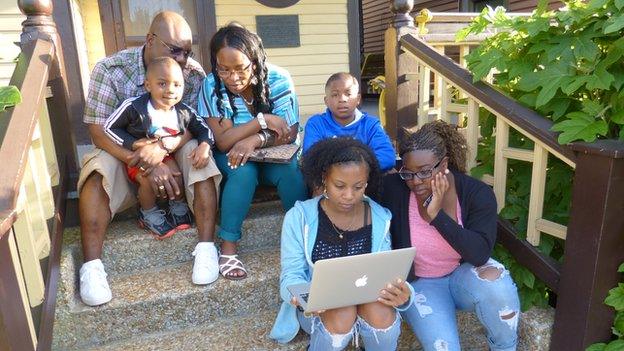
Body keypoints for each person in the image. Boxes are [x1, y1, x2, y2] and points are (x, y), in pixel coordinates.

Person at [78, 11, 222, 307]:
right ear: (150, 40)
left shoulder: (192, 74)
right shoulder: (111, 69)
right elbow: (98, 131)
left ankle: (207, 248)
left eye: (187, 51)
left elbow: (193, 124)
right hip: (122, 149)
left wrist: (165, 148)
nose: (183, 58)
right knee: (94, 173)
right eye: (175, 50)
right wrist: (147, 161)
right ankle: (91, 266)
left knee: (200, 158)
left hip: (170, 143)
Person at [380, 120, 520, 351]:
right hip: (421, 285)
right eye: (408, 173)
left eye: (425, 172)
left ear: (444, 164)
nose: (415, 181)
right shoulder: (394, 188)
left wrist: (437, 217)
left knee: (498, 287)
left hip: (463, 275)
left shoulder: (477, 193)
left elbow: (479, 254)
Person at [270, 137, 413, 350]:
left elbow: (386, 271)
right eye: (339, 186)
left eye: (358, 187)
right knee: (343, 310)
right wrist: (301, 296)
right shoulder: (298, 217)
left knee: (381, 313)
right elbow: (291, 275)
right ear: (323, 179)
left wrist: (403, 293)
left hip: (368, 301)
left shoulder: (380, 216)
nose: (349, 196)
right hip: (319, 310)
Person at [197, 24, 307, 280]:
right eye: (223, 68)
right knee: (242, 171)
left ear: (255, 63)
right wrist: (261, 121)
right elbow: (223, 142)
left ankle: (304, 237)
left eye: (240, 68)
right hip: (233, 155)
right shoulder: (212, 85)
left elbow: (287, 133)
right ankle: (228, 247)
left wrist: (253, 140)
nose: (232, 77)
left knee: (290, 170)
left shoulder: (279, 79)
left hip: (273, 152)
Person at [103, 57, 214, 238]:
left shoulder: (184, 111)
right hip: (139, 158)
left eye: (177, 85)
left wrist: (204, 146)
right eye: (162, 84)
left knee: (175, 175)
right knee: (148, 181)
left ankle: (177, 206)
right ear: (148, 85)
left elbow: (204, 130)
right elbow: (109, 127)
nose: (170, 90)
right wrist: (132, 144)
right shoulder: (134, 107)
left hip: (166, 156)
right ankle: (148, 212)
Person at [302, 72, 396, 173]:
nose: (342, 99)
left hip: (365, 183)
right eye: (335, 95)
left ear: (358, 99)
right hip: (327, 184)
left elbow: (387, 156)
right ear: (326, 101)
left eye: (348, 94)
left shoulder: (370, 125)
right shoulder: (316, 124)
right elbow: (311, 157)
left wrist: (352, 170)